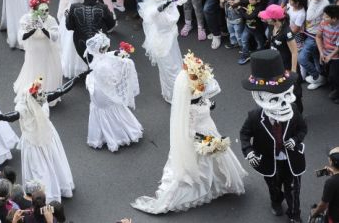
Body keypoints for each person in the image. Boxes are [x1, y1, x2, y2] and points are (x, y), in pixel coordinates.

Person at [132, 51, 247, 214]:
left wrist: (208, 104)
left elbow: (205, 98)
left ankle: (217, 180)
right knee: (202, 163)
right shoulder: (190, 107)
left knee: (213, 161)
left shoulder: (195, 94)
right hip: (200, 137)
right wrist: (208, 142)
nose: (201, 81)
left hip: (208, 129)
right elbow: (191, 131)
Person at [240, 49, 307, 222]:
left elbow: (302, 129)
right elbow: (245, 134)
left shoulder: (292, 110)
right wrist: (248, 151)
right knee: (274, 187)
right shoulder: (254, 116)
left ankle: (295, 215)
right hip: (270, 160)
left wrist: (295, 139)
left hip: (291, 159)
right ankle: (276, 202)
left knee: (293, 189)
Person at [0, 77, 76, 203]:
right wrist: (3, 117)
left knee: (53, 160)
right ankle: (46, 194)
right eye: (37, 93)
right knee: (39, 169)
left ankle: (54, 188)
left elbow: (61, 91)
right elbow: (14, 115)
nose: (40, 94)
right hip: (33, 141)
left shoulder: (42, 98)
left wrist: (76, 79)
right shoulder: (24, 107)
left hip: (47, 136)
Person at [135, 0, 199, 103]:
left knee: (177, 65)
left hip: (172, 40)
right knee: (169, 69)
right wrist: (166, 3)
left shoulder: (170, 1)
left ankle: (179, 91)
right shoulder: (152, 10)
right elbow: (153, 13)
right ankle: (173, 96)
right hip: (161, 44)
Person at [84, 33, 142, 152]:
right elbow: (113, 80)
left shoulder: (96, 56)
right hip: (102, 91)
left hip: (95, 90)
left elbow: (109, 55)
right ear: (103, 48)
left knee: (101, 110)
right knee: (112, 106)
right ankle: (118, 136)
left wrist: (117, 54)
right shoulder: (103, 65)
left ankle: (102, 136)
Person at [14, 0, 64, 105]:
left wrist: (43, 29)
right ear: (35, 10)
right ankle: (34, 92)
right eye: (42, 11)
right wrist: (33, 29)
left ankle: (46, 92)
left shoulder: (50, 19)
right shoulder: (27, 19)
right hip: (34, 51)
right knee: (34, 69)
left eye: (47, 10)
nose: (46, 13)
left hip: (47, 50)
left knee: (47, 69)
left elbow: (55, 35)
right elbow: (22, 35)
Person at [310, 147, 339, 223]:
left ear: (331, 162)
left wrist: (314, 213)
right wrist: (334, 172)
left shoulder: (331, 183)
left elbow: (323, 206)